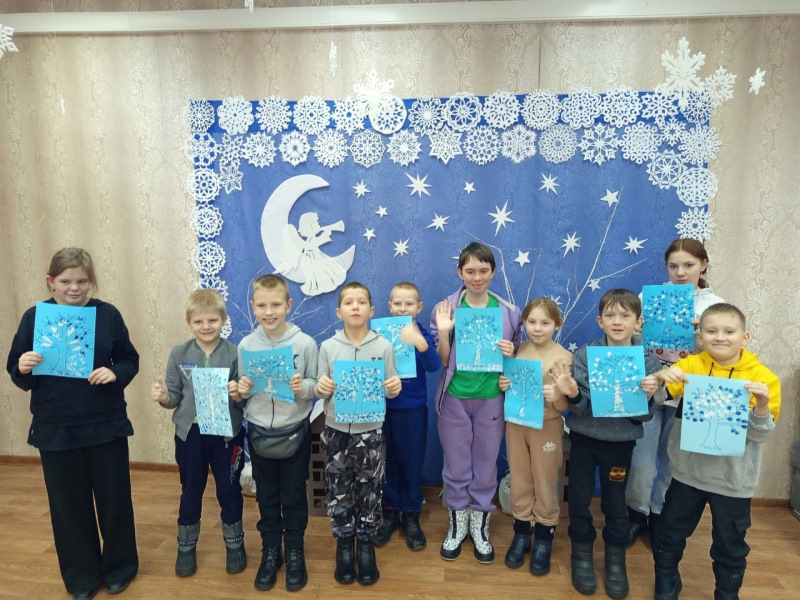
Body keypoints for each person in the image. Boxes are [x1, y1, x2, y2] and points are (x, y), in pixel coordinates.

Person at [6, 247, 139, 600]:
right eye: (66, 281)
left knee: (114, 501)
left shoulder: (108, 315)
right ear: (51, 281)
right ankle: (81, 577)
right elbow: (17, 369)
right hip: (55, 427)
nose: (74, 288)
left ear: (91, 281)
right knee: (68, 507)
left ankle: (120, 568)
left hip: (105, 424)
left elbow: (129, 359)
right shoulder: (35, 317)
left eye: (81, 281)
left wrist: (115, 372)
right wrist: (23, 367)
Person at [651, 303, 780, 600]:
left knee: (730, 543)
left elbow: (760, 434)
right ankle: (666, 582)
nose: (720, 337)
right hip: (687, 473)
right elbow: (660, 397)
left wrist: (761, 406)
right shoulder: (690, 366)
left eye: (729, 331)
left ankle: (727, 593)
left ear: (744, 337)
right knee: (669, 532)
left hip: (733, 480)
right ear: (700, 337)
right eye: (711, 331)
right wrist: (659, 380)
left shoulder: (764, 379)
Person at [551, 288, 661, 598]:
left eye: (625, 315)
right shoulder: (587, 355)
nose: (617, 321)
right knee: (579, 499)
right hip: (585, 441)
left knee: (615, 503)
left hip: (620, 445)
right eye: (610, 315)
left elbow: (643, 417)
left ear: (638, 322)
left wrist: (647, 396)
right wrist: (573, 392)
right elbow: (581, 407)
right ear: (600, 321)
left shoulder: (647, 360)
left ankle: (615, 561)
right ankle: (581, 556)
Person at [626, 238, 725, 547]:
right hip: (651, 388)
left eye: (688, 265)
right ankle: (636, 515)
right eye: (673, 266)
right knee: (641, 460)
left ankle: (660, 515)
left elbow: (726, 354)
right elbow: (631, 344)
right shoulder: (649, 297)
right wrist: (636, 331)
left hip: (689, 395)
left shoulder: (715, 306)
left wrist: (703, 337)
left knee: (673, 461)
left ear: (703, 265)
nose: (680, 272)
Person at [430, 242, 522, 564]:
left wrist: (511, 354)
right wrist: (445, 333)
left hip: (490, 399)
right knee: (457, 465)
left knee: (485, 465)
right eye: (470, 271)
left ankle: (480, 527)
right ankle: (457, 526)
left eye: (483, 271)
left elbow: (515, 360)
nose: (477, 277)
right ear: (460, 272)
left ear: (493, 272)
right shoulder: (446, 309)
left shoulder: (509, 312)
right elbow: (443, 360)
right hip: (455, 398)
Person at [150, 289, 246, 578]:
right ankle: (186, 547)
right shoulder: (179, 353)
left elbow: (243, 399)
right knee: (191, 490)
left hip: (226, 434)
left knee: (229, 490)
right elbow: (173, 397)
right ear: (189, 322)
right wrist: (164, 396)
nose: (206, 327)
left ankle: (235, 544)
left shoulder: (235, 353)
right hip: (190, 434)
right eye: (199, 321)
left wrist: (238, 393)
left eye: (212, 320)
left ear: (224, 320)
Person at [315, 282, 402, 585]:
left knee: (370, 489)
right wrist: (320, 387)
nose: (355, 306)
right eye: (349, 302)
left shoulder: (384, 347)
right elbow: (319, 387)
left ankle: (365, 543)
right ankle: (343, 544)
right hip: (336, 431)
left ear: (371, 310)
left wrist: (394, 387)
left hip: (370, 433)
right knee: (337, 488)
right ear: (338, 312)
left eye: (361, 302)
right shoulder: (328, 347)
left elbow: (390, 387)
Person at [236, 275, 318, 592]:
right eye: (261, 305)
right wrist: (242, 388)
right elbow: (242, 391)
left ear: (288, 305)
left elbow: (316, 385)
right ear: (252, 306)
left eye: (275, 305)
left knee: (294, 495)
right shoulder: (246, 346)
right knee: (267, 495)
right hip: (259, 433)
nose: (269, 312)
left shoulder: (305, 344)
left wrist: (303, 387)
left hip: (294, 431)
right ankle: (271, 550)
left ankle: (295, 551)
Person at [498, 298, 572, 576]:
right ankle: (521, 533)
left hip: (547, 426)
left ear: (557, 324)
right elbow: (510, 386)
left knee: (545, 480)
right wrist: (504, 383)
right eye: (532, 322)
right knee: (520, 478)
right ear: (524, 323)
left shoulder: (564, 357)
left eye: (545, 323)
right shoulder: (519, 349)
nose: (537, 328)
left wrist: (559, 395)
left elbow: (564, 407)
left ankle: (544, 536)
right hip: (517, 424)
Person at [374, 282, 440, 551]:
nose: (403, 308)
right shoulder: (379, 334)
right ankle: (390, 511)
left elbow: (434, 365)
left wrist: (420, 343)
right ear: (390, 307)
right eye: (398, 304)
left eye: (409, 304)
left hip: (412, 411)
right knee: (387, 462)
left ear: (419, 307)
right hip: (383, 410)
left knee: (411, 462)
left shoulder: (421, 333)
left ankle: (411, 514)